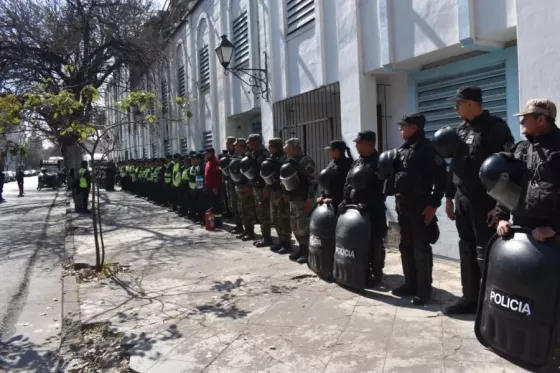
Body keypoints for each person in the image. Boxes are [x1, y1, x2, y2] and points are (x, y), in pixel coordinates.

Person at [443, 86, 514, 315]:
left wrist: (500, 206)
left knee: (486, 252)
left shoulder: (495, 127)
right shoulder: (461, 129)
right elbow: (454, 166)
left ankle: (493, 302)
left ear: (471, 103)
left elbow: (507, 167)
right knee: (466, 249)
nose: (455, 107)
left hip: (485, 202)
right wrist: (449, 197)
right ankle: (470, 298)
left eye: (458, 103)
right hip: (463, 198)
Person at [389, 114, 447, 305]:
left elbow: (441, 179)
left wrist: (433, 205)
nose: (400, 130)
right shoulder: (404, 149)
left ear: (414, 127)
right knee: (405, 247)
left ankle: (424, 291)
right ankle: (410, 284)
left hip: (420, 207)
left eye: (403, 126)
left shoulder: (428, 149)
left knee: (420, 249)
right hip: (404, 207)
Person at [495, 99, 560, 241]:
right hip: (521, 229)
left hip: (550, 234)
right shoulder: (521, 148)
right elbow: (508, 183)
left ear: (541, 120)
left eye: (525, 118)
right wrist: (502, 217)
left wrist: (554, 228)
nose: (521, 122)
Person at [340, 130, 387, 287]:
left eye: (359, 143)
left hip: (373, 210)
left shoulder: (379, 162)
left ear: (369, 143)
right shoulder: (358, 161)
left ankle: (377, 273)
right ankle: (363, 270)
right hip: (355, 211)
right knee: (358, 242)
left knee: (374, 242)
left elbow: (382, 188)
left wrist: (368, 203)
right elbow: (349, 182)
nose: (357, 146)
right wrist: (345, 201)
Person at [283, 138, 317, 264]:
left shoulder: (305, 161)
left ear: (295, 147)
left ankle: (306, 252)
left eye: (288, 147)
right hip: (293, 199)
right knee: (295, 227)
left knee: (304, 227)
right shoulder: (291, 162)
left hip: (303, 199)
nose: (286, 149)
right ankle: (301, 249)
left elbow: (312, 181)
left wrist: (310, 198)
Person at [266, 138, 292, 254]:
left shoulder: (284, 159)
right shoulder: (272, 158)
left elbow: (285, 176)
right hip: (274, 191)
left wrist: (285, 193)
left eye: (271, 146)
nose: (269, 147)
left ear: (276, 146)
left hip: (281, 193)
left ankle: (286, 243)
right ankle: (281, 241)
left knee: (283, 218)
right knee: (275, 217)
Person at [247, 134, 272, 247]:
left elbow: (267, 172)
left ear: (256, 142)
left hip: (263, 187)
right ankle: (264, 236)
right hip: (256, 187)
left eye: (250, 142)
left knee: (263, 213)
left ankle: (267, 238)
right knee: (259, 212)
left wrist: (266, 188)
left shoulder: (264, 154)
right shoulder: (254, 154)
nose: (248, 144)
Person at [316, 140, 353, 213]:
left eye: (330, 150)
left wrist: (334, 199)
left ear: (336, 150)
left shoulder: (347, 164)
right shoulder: (332, 163)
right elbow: (326, 181)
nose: (329, 152)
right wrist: (322, 196)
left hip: (341, 203)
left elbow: (345, 186)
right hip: (329, 201)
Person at [233, 138, 257, 240]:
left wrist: (249, 186)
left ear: (241, 146)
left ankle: (250, 232)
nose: (235, 147)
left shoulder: (248, 156)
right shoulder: (239, 156)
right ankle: (246, 230)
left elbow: (251, 172)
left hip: (246, 187)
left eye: (236, 145)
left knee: (248, 210)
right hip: (239, 186)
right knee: (242, 210)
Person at [225, 137, 243, 234]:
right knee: (232, 205)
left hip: (237, 183)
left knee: (239, 206)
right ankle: (238, 224)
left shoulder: (239, 155)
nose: (227, 145)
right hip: (230, 182)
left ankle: (242, 226)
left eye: (228, 144)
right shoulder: (229, 155)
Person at [204, 148, 223, 227]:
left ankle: (218, 222)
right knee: (212, 205)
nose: (205, 154)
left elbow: (217, 176)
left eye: (207, 153)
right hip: (209, 187)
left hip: (214, 188)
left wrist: (215, 187)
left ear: (211, 153)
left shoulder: (215, 162)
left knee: (216, 205)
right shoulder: (208, 162)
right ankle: (212, 221)